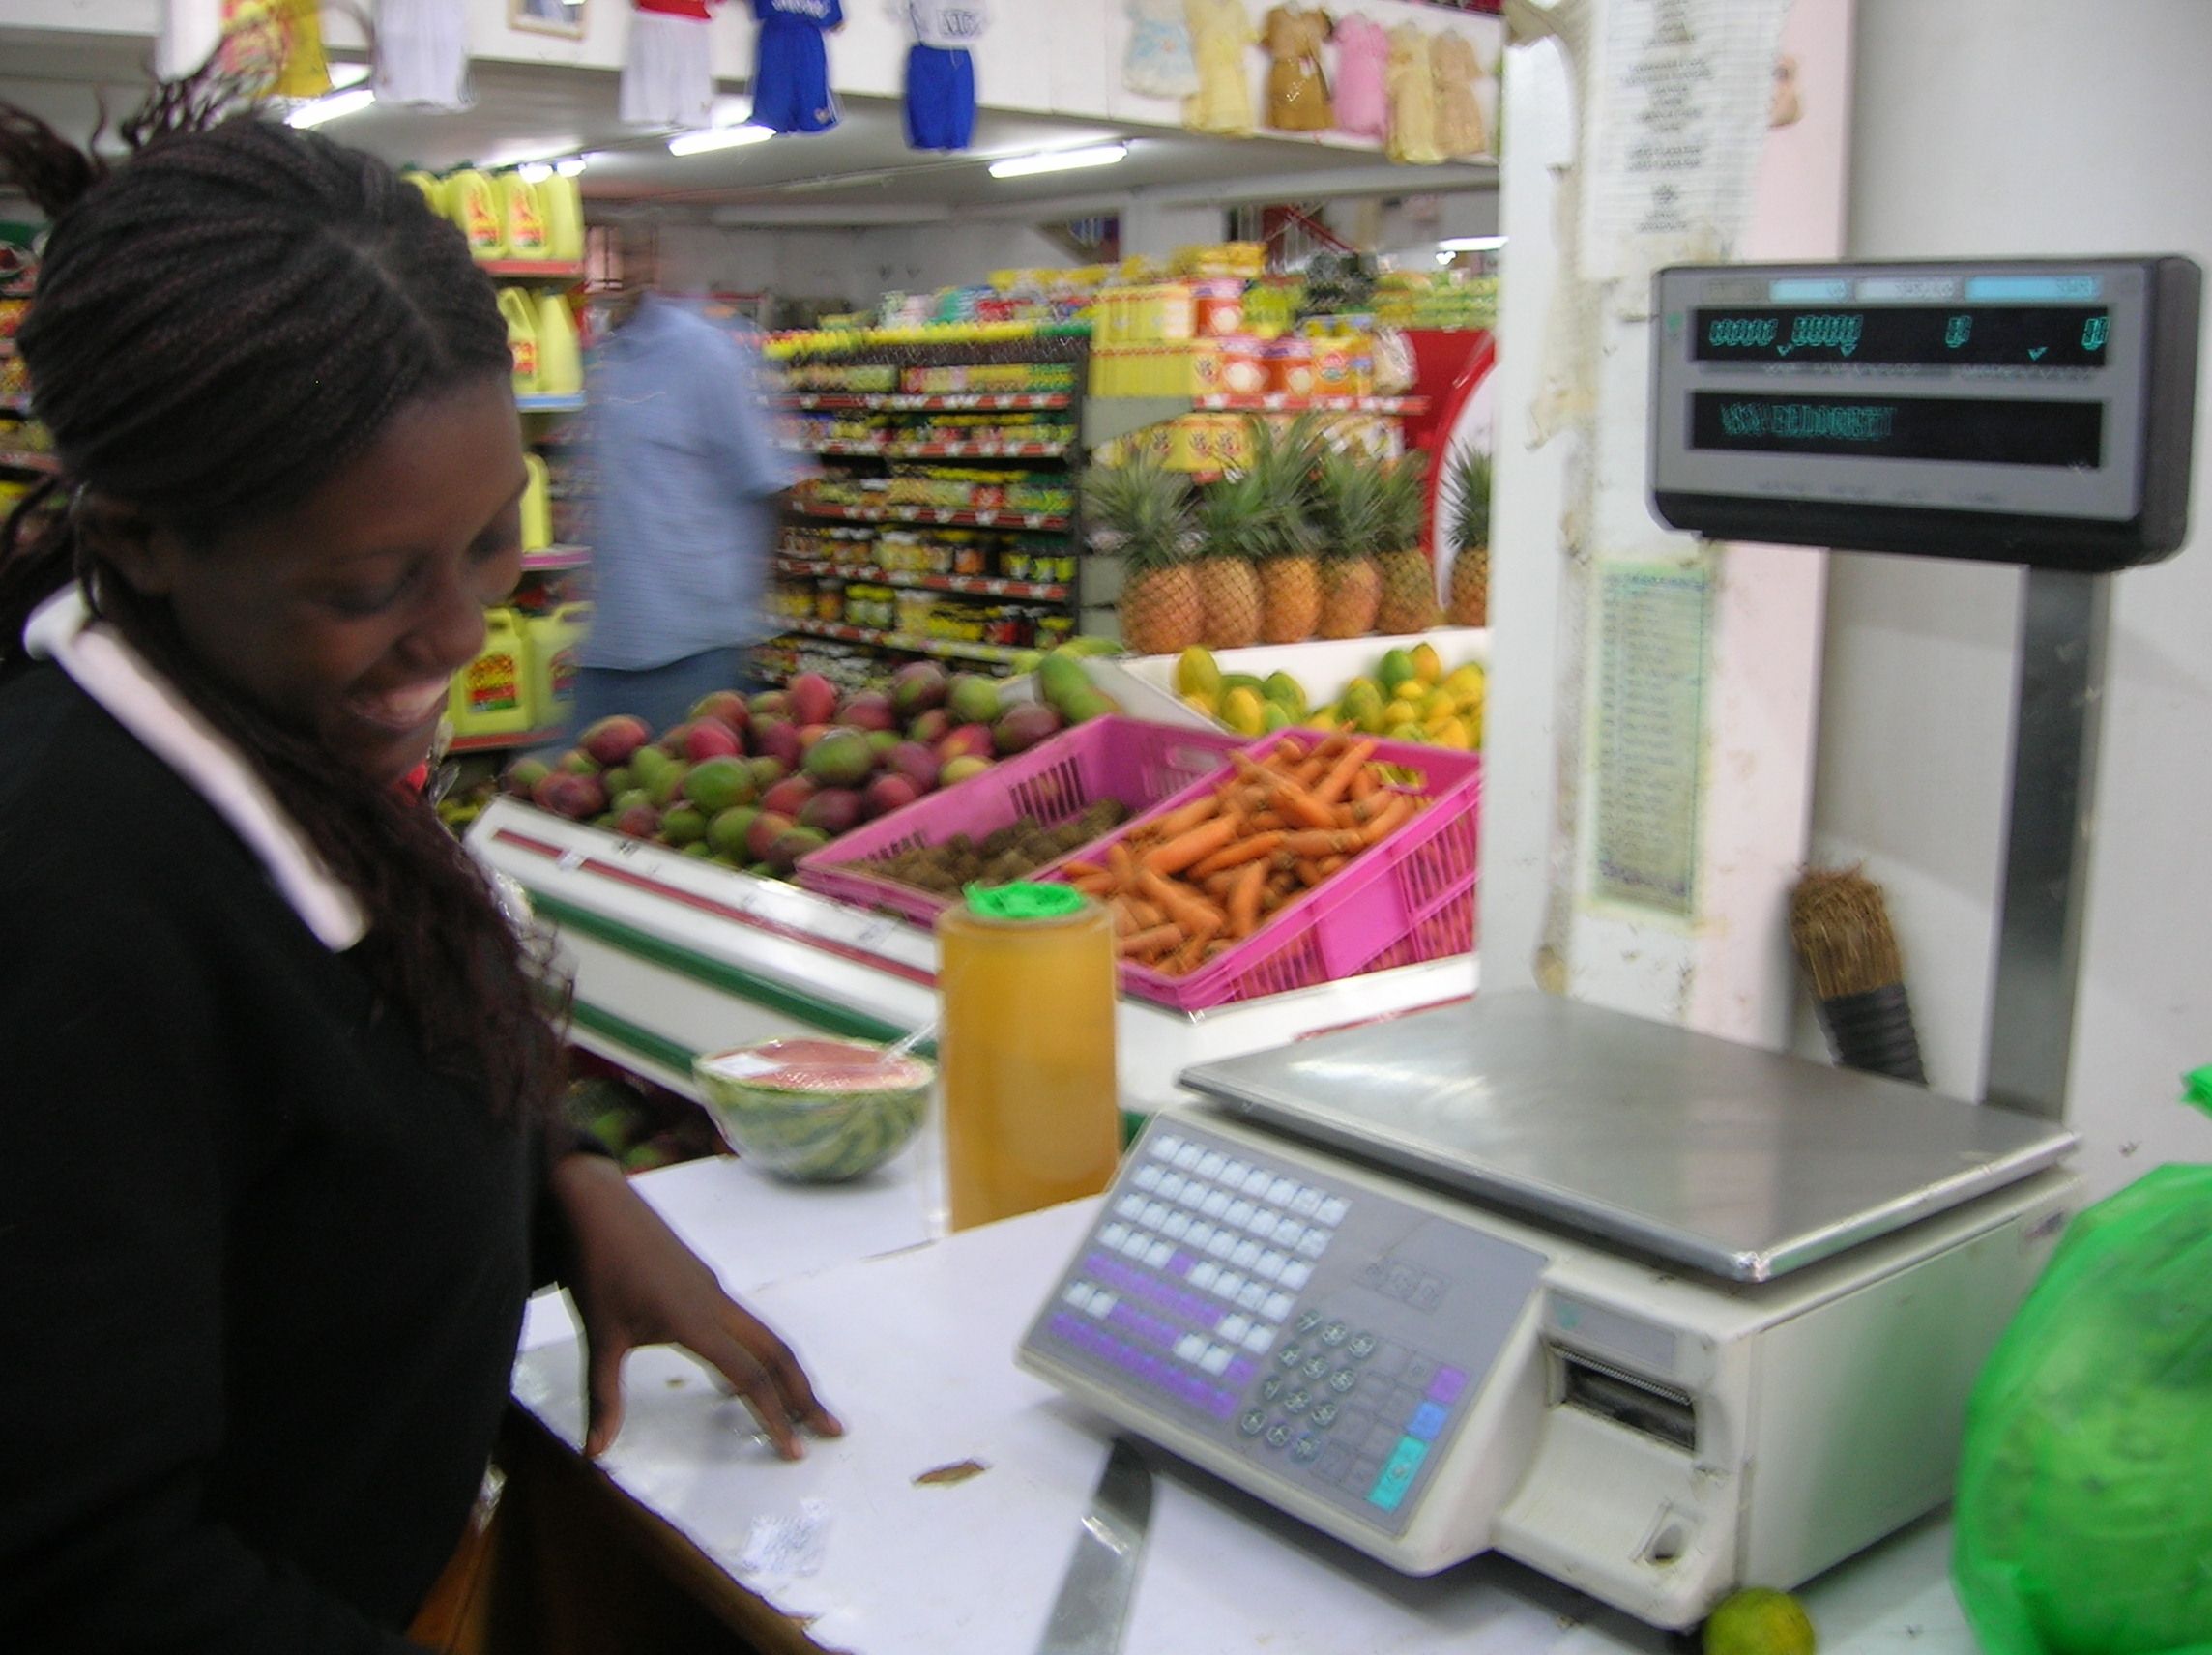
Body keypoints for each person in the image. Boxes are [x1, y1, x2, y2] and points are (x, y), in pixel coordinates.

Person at [0, 82, 840, 1653]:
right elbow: (77, 1565)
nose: (459, 633)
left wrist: (564, 1185)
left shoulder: (268, 732)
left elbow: (320, 1114)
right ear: (145, 534)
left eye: (486, 541)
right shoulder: (69, 910)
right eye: (371, 582)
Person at [572, 227, 796, 736]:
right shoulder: (607, 359)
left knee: (672, 798)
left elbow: (769, 481)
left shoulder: (708, 353)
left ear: (656, 263)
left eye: (630, 254)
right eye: (607, 257)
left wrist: (747, 602)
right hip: (609, 641)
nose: (616, 272)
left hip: (691, 647)